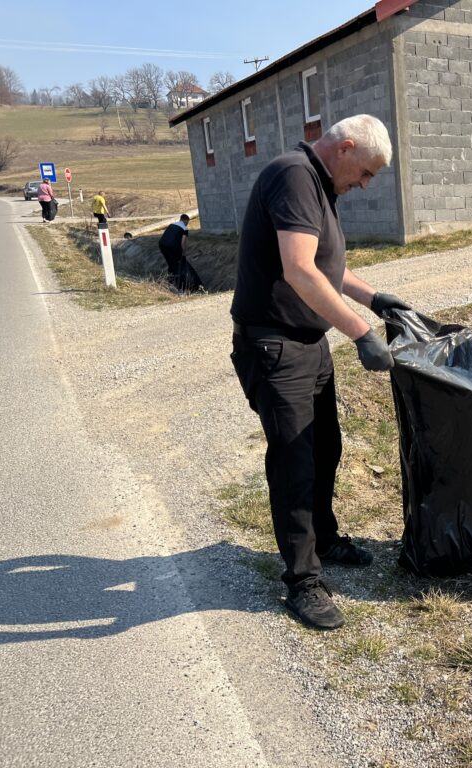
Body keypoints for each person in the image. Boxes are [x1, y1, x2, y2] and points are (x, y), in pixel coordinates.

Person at [230, 114, 411, 631]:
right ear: (345, 148)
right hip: (274, 346)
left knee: (326, 447)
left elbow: (328, 267)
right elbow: (299, 269)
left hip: (308, 344)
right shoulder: (293, 175)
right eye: (367, 172)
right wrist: (360, 332)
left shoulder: (319, 185)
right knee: (294, 463)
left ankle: (324, 539)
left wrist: (376, 298)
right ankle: (302, 580)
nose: (365, 184)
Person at [158, 214, 190, 280]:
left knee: (171, 262)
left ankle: (170, 278)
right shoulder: (184, 228)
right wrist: (184, 253)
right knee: (176, 263)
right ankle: (177, 280)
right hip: (172, 247)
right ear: (186, 220)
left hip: (162, 244)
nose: (187, 224)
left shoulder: (172, 224)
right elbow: (183, 243)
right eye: (187, 222)